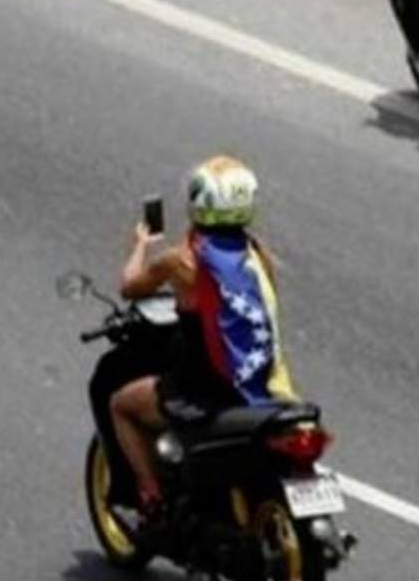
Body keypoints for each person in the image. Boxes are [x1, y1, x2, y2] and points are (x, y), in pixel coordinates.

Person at [109, 156, 298, 513]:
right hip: (261, 380)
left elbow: (129, 287)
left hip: (201, 389)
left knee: (121, 405)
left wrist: (140, 244)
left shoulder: (180, 261)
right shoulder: (259, 257)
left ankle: (151, 496)